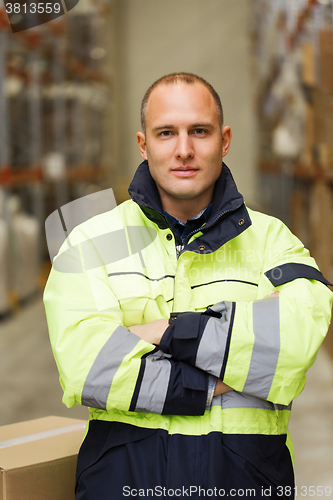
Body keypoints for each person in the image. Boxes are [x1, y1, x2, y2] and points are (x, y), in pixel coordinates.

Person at [44, 73, 333, 500]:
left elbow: (293, 344)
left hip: (244, 479)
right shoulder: (89, 243)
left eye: (199, 131)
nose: (184, 150)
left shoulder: (274, 240)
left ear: (225, 139)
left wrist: (162, 331)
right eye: (166, 133)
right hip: (123, 483)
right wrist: (226, 372)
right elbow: (88, 367)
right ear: (143, 144)